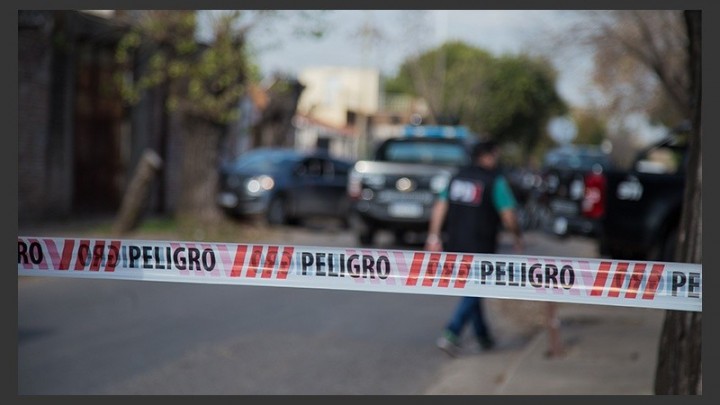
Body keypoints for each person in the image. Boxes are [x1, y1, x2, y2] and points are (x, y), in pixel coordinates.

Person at [425, 139, 523, 357]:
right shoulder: (494, 181)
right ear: (487, 156)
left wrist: (434, 236)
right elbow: (508, 214)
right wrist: (517, 236)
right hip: (481, 245)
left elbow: (441, 206)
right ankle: (452, 331)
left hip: (456, 243)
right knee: (476, 288)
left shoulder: (457, 177)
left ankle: (483, 336)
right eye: (495, 155)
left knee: (474, 287)